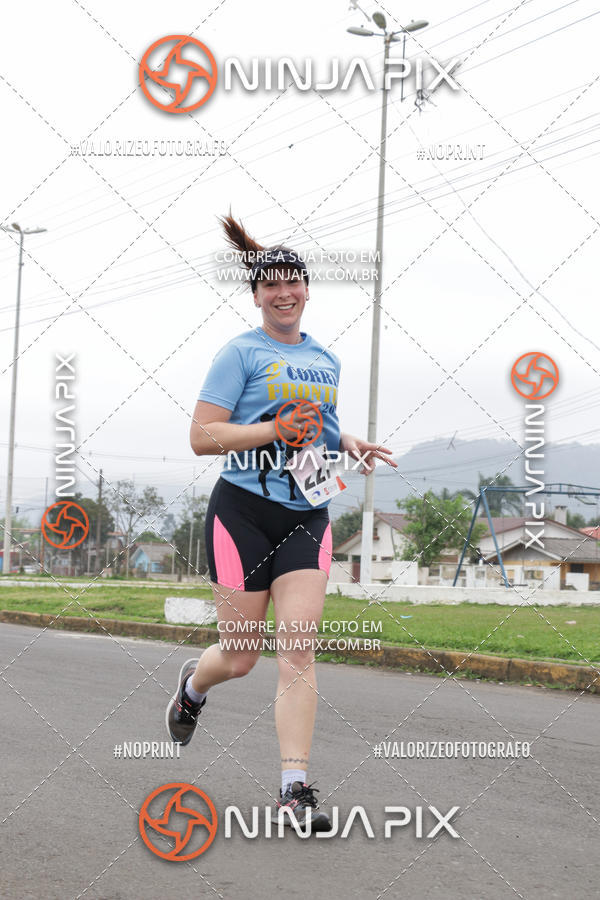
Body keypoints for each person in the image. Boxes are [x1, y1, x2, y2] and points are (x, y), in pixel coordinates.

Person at [166, 214, 397, 830]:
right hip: (243, 512)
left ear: (306, 289)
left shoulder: (326, 360)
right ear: (258, 295)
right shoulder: (239, 353)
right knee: (240, 656)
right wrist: (271, 430)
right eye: (272, 286)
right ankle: (193, 685)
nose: (284, 293)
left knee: (298, 649)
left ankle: (294, 789)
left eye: (293, 283)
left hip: (307, 515)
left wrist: (348, 442)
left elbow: (313, 429)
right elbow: (201, 436)